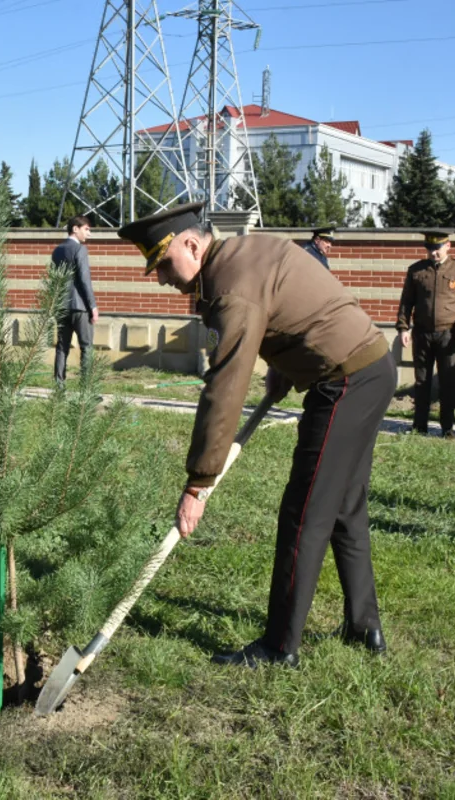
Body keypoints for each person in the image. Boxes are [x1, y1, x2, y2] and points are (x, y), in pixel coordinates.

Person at [118, 202, 394, 668]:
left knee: (304, 513)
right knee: (345, 505)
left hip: (345, 381)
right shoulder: (244, 252)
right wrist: (287, 364)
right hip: (371, 367)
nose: (161, 278)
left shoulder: (230, 289)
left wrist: (199, 482)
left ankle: (279, 647)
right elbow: (297, 306)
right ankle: (364, 627)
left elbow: (225, 387)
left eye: (164, 264)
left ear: (191, 243)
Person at [395, 230, 455, 439]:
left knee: (448, 382)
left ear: (448, 246)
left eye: (437, 248)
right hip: (422, 334)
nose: (433, 253)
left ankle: (447, 428)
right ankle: (419, 426)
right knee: (421, 382)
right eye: (429, 249)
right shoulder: (416, 270)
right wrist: (403, 328)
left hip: (448, 334)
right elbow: (406, 301)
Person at [53, 214, 99, 383]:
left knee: (61, 347)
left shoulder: (57, 250)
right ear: (75, 229)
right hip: (80, 307)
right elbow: (84, 280)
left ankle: (59, 386)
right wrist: (93, 306)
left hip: (61, 306)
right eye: (86, 229)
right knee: (86, 347)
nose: (89, 234)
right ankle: (86, 389)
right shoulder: (80, 249)